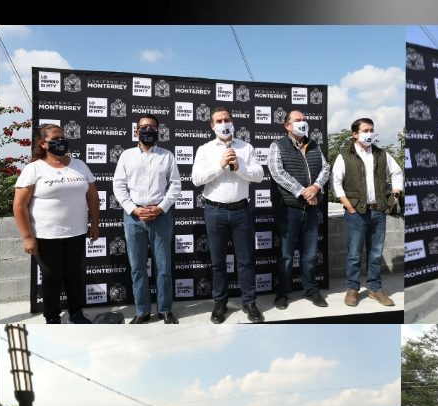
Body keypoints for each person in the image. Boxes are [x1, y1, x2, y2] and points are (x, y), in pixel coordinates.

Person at [13, 123, 100, 324]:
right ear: (43, 144)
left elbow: (93, 197)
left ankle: (77, 313)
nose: (61, 142)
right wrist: (27, 237)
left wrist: (94, 224)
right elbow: (19, 205)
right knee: (51, 278)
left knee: (74, 276)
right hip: (46, 236)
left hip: (76, 233)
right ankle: (52, 317)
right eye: (55, 139)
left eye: (63, 138)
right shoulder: (34, 169)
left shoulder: (79, 165)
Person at [191, 106, 266, 324]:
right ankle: (220, 302)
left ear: (233, 122)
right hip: (214, 211)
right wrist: (221, 165)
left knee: (246, 260)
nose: (224, 123)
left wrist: (238, 166)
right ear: (212, 125)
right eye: (219, 120)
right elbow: (197, 179)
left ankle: (249, 302)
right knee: (217, 262)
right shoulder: (205, 150)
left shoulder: (246, 147)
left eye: (227, 119)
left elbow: (259, 175)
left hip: (241, 210)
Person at [113, 114, 182, 324]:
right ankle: (142, 311)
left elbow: (176, 185)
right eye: (144, 127)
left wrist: (160, 208)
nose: (148, 130)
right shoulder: (126, 156)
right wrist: (133, 209)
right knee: (137, 268)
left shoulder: (167, 156)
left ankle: (165, 309)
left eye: (152, 127)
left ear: (158, 131)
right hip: (133, 218)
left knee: (164, 267)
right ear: (136, 131)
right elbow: (118, 185)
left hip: (161, 217)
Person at [332, 117, 403, 307]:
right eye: (365, 130)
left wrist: (395, 194)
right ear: (354, 134)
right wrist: (349, 207)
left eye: (371, 130)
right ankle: (352, 289)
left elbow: (397, 173)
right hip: (356, 213)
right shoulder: (344, 156)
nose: (369, 133)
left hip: (378, 211)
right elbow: (336, 184)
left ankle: (375, 289)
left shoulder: (382, 154)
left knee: (376, 254)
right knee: (354, 254)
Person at [267, 111, 330, 311]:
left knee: (310, 255)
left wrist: (316, 188)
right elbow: (277, 172)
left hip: (311, 209)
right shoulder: (277, 145)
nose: (303, 122)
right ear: (287, 126)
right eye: (297, 120)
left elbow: (325, 168)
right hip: (288, 209)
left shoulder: (313, 145)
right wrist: (303, 192)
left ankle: (311, 290)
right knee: (286, 255)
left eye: (304, 119)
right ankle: (283, 293)